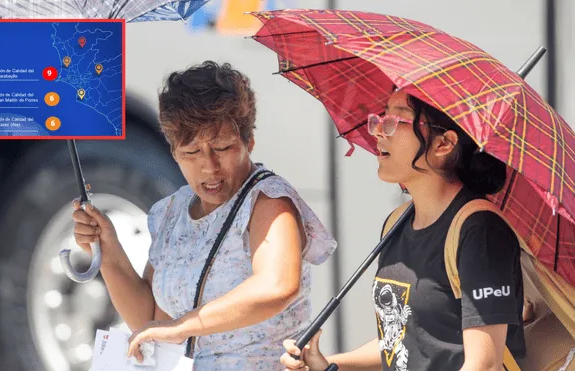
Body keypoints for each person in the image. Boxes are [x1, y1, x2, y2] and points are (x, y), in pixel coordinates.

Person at [71, 60, 337, 370]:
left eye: (223, 148)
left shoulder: (268, 201)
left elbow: (278, 286)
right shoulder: (171, 212)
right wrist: (108, 249)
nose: (209, 166)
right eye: (192, 153)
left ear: (249, 142)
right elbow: (152, 323)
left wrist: (185, 325)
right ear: (173, 152)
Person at [280, 88, 526, 371]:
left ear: (443, 144)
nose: (378, 132)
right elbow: (403, 340)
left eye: (396, 121)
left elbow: (485, 365)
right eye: (380, 117)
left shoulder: (480, 230)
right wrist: (326, 364)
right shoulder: (395, 223)